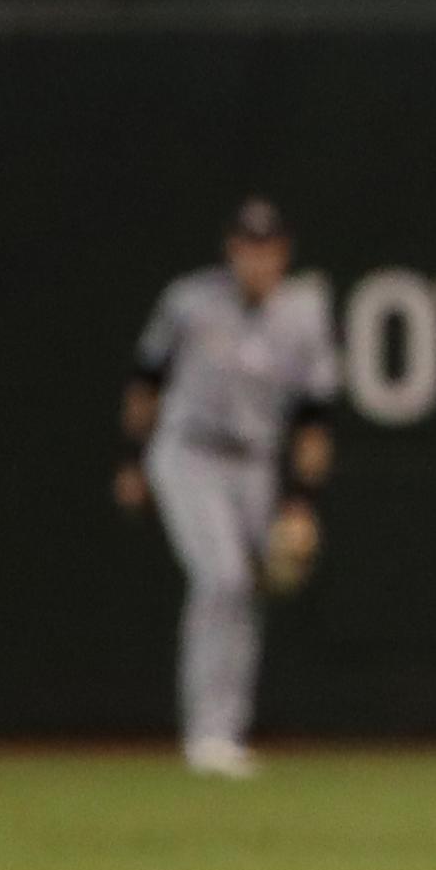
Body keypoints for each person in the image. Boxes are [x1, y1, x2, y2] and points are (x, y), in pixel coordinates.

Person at [113, 197, 341, 779]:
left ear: (284, 254)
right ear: (231, 251)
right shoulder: (190, 302)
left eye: (268, 248)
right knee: (222, 577)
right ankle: (208, 735)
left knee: (249, 591)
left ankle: (227, 731)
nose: (258, 259)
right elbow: (147, 382)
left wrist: (300, 502)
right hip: (188, 454)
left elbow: (315, 417)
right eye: (247, 247)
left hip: (256, 463)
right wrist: (133, 460)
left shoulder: (304, 314)